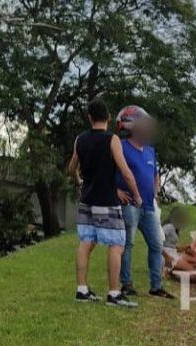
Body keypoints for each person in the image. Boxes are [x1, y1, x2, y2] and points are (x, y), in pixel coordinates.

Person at [67, 98, 143, 308]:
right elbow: (126, 172)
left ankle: (82, 290)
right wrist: (136, 195)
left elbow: (72, 168)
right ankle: (114, 293)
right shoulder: (112, 140)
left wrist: (79, 182)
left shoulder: (80, 139)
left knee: (86, 243)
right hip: (107, 201)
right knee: (117, 245)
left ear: (90, 118)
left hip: (87, 200)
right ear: (108, 118)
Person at [115, 105, 174, 299]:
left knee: (156, 245)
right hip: (130, 205)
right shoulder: (121, 146)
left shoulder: (150, 151)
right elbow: (107, 172)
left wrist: (155, 193)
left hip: (149, 207)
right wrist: (116, 190)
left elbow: (155, 175)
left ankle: (156, 286)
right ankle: (126, 284)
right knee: (128, 244)